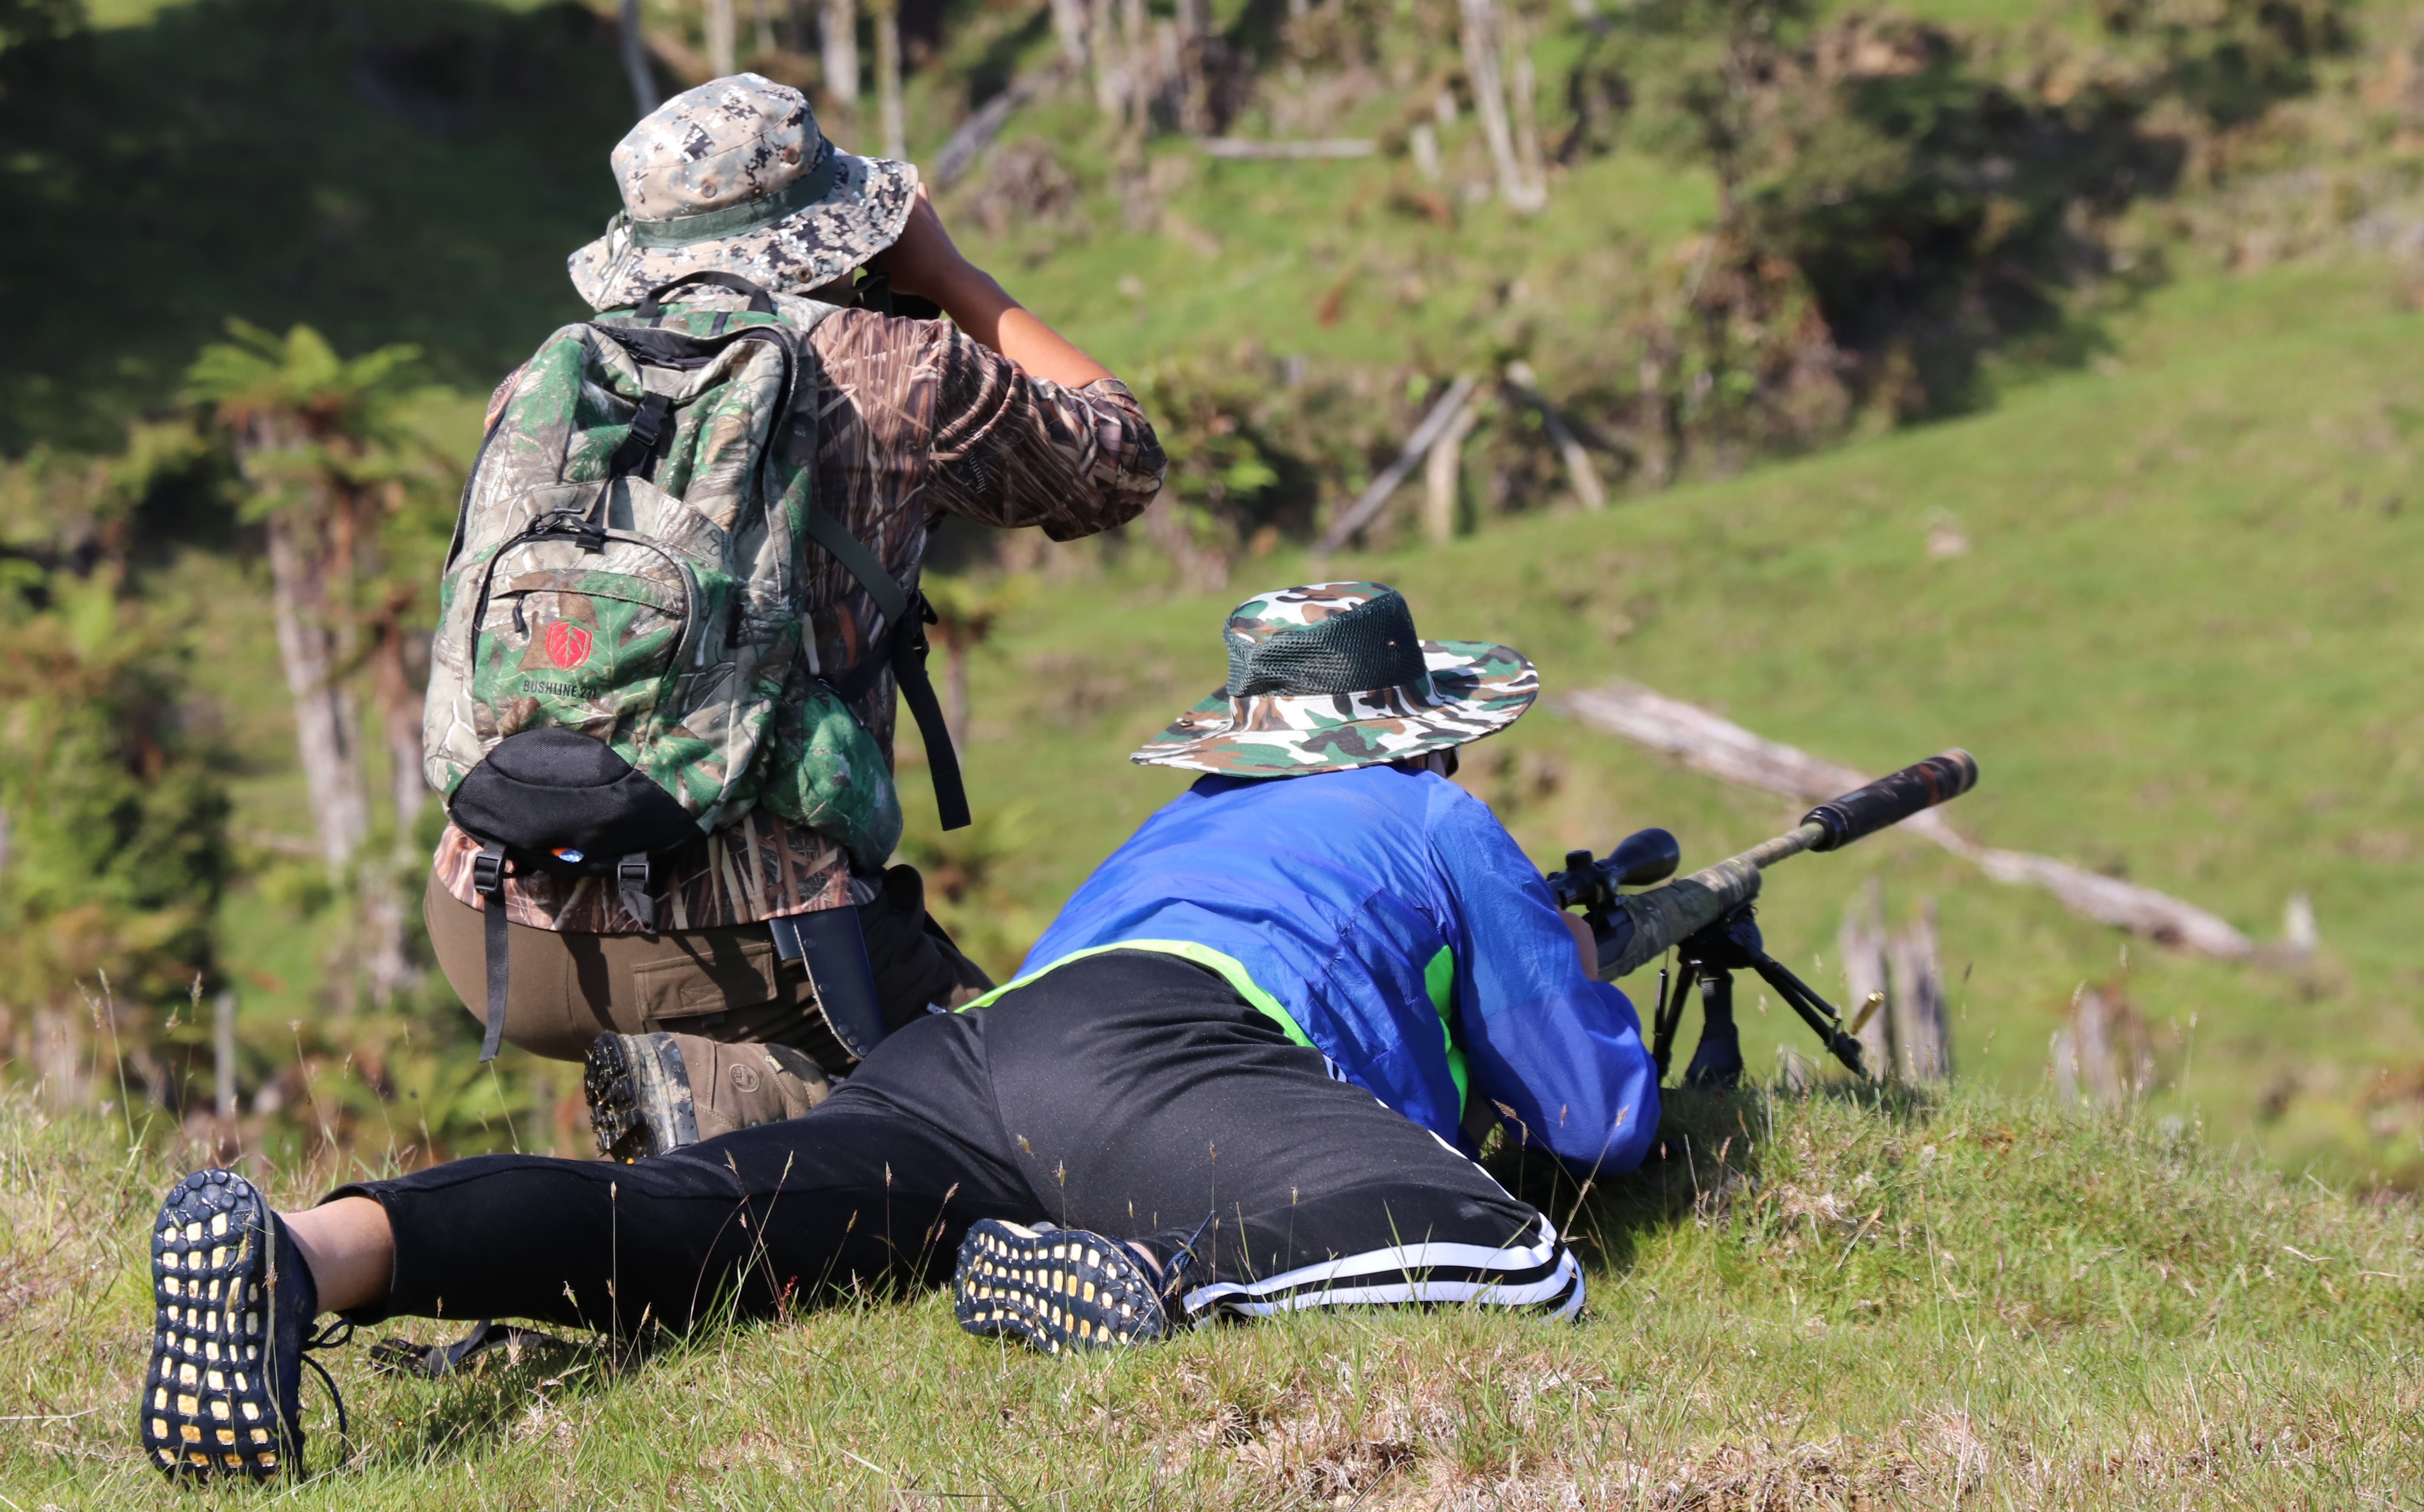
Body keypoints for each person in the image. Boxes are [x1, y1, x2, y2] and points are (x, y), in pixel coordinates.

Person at [138, 583, 1658, 1484]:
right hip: (1178, 1057)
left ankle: (314, 1249)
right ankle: (1159, 1285)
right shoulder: (1435, 816)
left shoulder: (1184, 822)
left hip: (978, 1054)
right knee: (1517, 1263)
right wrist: (1567, 966)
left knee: (689, 1222)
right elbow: (1595, 1129)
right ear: (1425, 732)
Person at [416, 72, 1165, 1156]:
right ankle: (738, 1094)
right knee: (999, 1116)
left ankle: (698, 1111)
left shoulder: (553, 380)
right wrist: (953, 277)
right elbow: (1120, 459)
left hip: (498, 923)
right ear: (831, 226)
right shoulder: (902, 369)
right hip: (757, 946)